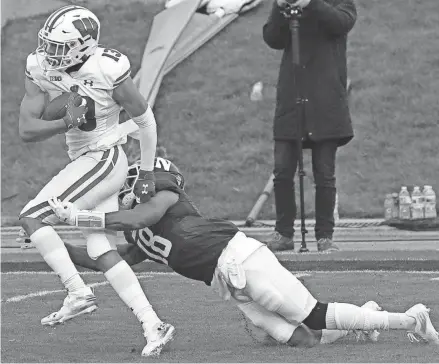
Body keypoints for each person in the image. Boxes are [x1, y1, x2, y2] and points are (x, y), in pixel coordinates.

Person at [45, 159, 439, 347]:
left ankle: (410, 320)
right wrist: (53, 242)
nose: (129, 189)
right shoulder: (143, 237)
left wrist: (80, 217)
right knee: (303, 340)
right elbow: (103, 260)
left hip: (240, 259)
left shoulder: (165, 198)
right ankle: (364, 317)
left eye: (133, 183)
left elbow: (134, 218)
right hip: (228, 284)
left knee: (313, 314)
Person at [18, 5, 172, 356]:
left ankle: (77, 292)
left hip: (103, 158)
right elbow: (27, 129)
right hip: (86, 158)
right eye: (48, 44)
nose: (49, 53)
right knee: (100, 249)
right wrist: (66, 121)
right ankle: (153, 325)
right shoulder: (39, 65)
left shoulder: (107, 67)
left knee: (32, 216)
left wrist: (146, 171)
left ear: (84, 45)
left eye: (59, 46)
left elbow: (146, 121)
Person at [262, 0, 357, 252]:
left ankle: (325, 236)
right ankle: (283, 234)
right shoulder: (286, 5)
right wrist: (281, 9)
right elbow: (273, 37)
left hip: (325, 99)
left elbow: (341, 23)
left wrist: (311, 4)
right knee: (282, 171)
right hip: (291, 97)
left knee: (324, 174)